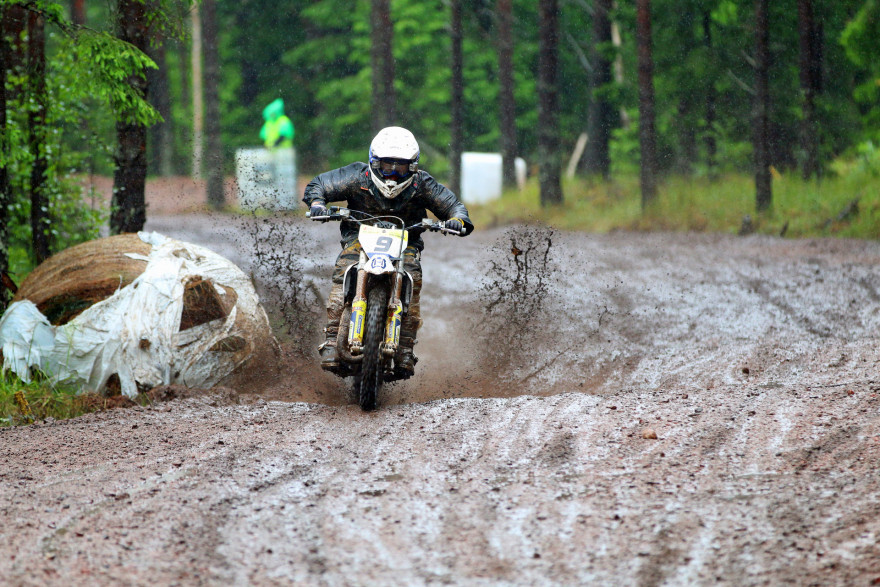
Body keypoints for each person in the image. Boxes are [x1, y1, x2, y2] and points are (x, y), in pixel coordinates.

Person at [303, 126, 474, 378]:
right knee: (343, 271)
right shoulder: (356, 176)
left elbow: (453, 206)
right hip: (360, 239)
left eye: (401, 167)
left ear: (412, 167)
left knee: (412, 279)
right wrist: (318, 203)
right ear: (374, 162)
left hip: (405, 245)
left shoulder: (422, 184)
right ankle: (331, 339)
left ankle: (404, 346)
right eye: (387, 166)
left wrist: (457, 220)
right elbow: (319, 184)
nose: (393, 174)